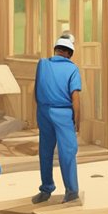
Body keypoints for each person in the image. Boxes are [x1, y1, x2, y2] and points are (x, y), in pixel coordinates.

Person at [33, 32, 82, 204]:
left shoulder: (42, 64)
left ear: (55, 50)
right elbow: (75, 97)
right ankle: (72, 191)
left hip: (44, 111)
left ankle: (46, 189)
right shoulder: (72, 69)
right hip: (63, 113)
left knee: (45, 152)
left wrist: (39, 111)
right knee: (67, 153)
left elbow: (36, 90)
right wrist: (77, 120)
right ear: (70, 53)